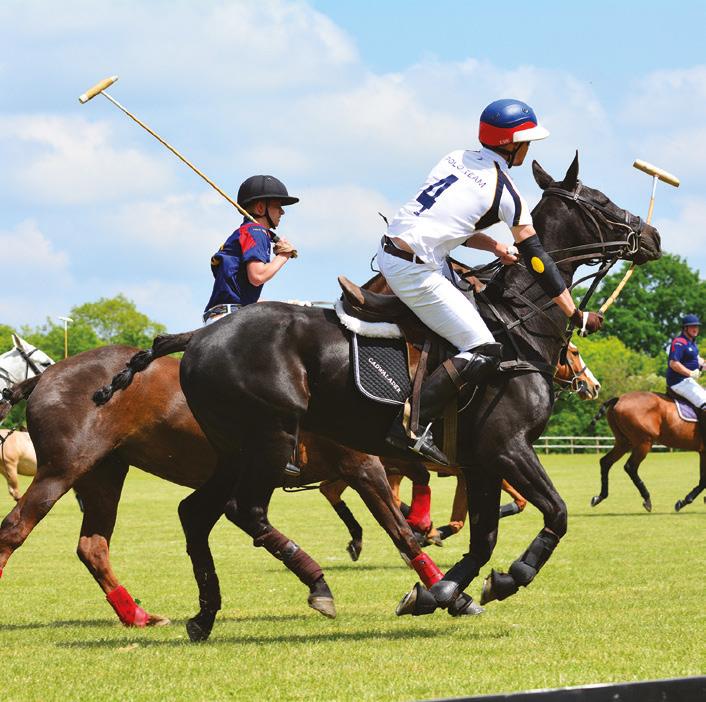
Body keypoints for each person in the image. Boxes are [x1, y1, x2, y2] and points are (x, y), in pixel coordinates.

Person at [376, 98, 604, 465]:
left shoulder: (455, 159)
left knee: (475, 300)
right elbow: (537, 259)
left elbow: (450, 225)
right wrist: (575, 314)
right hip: (417, 269)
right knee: (483, 347)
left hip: (397, 251)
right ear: (512, 144)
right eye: (526, 142)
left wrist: (495, 246)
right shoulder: (505, 190)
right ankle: (412, 425)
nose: (528, 148)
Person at [203, 175, 298, 325]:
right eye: (277, 206)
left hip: (220, 316)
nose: (282, 212)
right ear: (260, 208)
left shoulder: (244, 232)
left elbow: (236, 286)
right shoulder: (256, 231)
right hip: (232, 319)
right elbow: (257, 276)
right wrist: (283, 256)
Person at [667, 314, 706, 435]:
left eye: (697, 326)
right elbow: (674, 363)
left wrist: (703, 365)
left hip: (687, 381)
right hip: (678, 381)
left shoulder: (692, 343)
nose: (696, 329)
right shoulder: (679, 342)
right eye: (692, 326)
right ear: (685, 328)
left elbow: (698, 360)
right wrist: (690, 373)